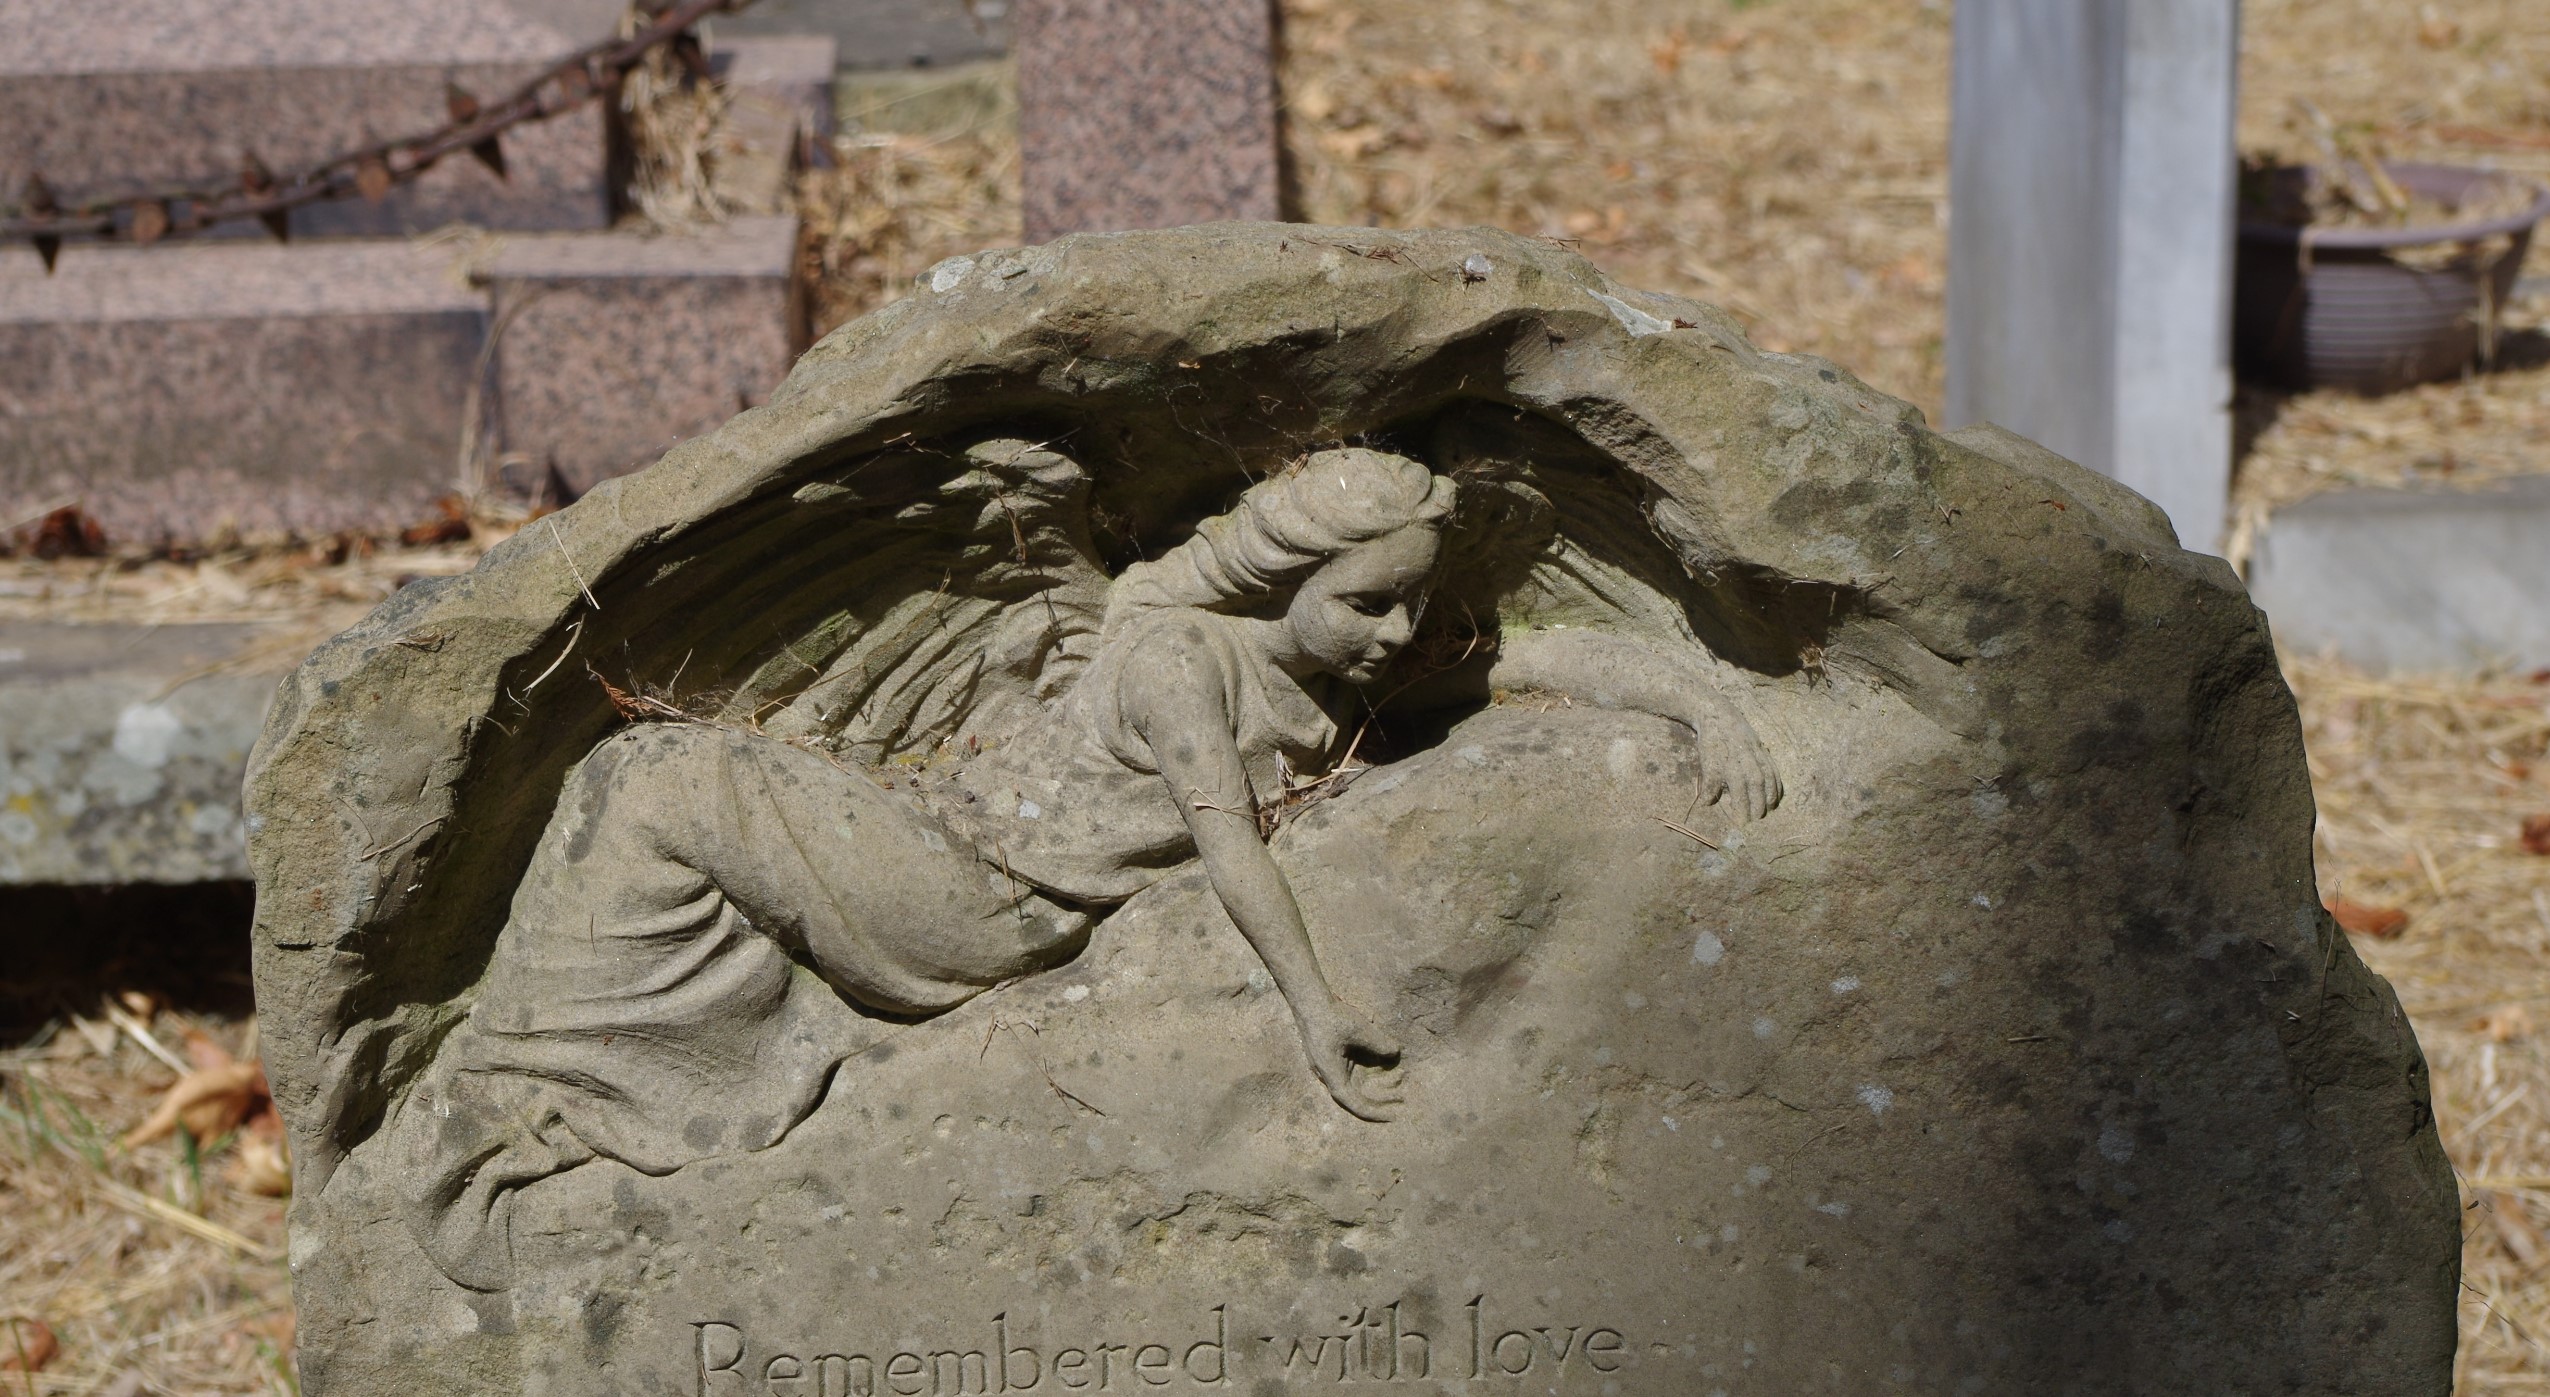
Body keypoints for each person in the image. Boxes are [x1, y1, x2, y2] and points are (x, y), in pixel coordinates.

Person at [388, 445, 1777, 1289]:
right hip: (949, 862)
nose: (1394, 629)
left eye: (1411, 596)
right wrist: (1313, 996)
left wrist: (1694, 693)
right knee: (650, 779)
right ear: (1273, 573)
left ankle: (540, 1091)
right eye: (1367, 597)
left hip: (978, 904)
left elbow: (1516, 662)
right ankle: (567, 1094)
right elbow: (1226, 830)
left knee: (651, 782)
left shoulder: (1337, 665)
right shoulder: (1182, 656)